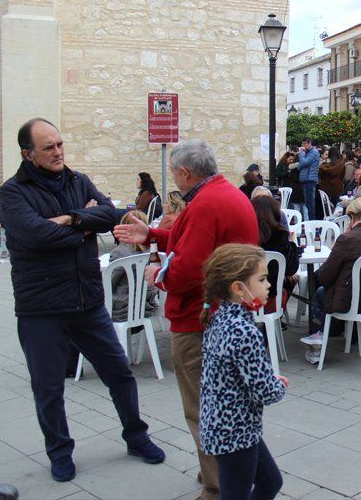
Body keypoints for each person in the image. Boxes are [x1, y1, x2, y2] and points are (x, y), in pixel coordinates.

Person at [0, 118, 164, 483]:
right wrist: (83, 227)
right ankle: (60, 453)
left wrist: (71, 218)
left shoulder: (78, 180)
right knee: (48, 388)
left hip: (87, 302)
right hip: (41, 308)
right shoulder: (13, 193)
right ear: (28, 154)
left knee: (120, 375)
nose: (58, 152)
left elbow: (111, 214)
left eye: (60, 144)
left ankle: (136, 437)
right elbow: (35, 235)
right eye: (48, 148)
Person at [114, 139, 257, 499]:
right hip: (220, 315)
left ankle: (218, 485)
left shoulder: (206, 204)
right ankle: (225, 472)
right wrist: (155, 236)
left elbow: (189, 268)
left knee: (203, 408)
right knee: (223, 404)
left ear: (184, 172)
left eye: (175, 175)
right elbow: (190, 244)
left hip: (200, 319)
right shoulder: (223, 195)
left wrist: (158, 275)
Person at [198, 244, 288, 500]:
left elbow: (233, 374)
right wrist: (277, 385)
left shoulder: (220, 318)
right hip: (235, 432)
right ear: (238, 288)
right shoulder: (243, 329)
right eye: (261, 279)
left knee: (270, 481)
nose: (268, 285)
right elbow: (265, 392)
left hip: (225, 425)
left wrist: (266, 379)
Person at [300, 197, 361, 363]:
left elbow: (324, 277)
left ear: (351, 217)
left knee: (320, 291)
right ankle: (338, 332)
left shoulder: (347, 239)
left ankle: (318, 338)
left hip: (351, 302)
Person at [253, 196, 299, 315]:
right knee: (292, 279)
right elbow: (292, 268)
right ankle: (274, 320)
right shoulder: (280, 235)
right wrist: (292, 243)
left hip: (247, 298)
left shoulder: (247, 234)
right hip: (271, 297)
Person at [109, 210, 159, 321]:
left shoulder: (119, 253)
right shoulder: (153, 250)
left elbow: (110, 284)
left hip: (122, 309)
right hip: (147, 305)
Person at [296, 137, 320, 220]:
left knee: (310, 204)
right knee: (308, 203)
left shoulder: (314, 152)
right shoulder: (306, 153)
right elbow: (299, 166)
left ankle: (312, 222)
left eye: (305, 143)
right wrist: (302, 161)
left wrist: (301, 154)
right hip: (305, 180)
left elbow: (304, 162)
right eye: (302, 144)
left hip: (310, 180)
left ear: (310, 143)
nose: (303, 145)